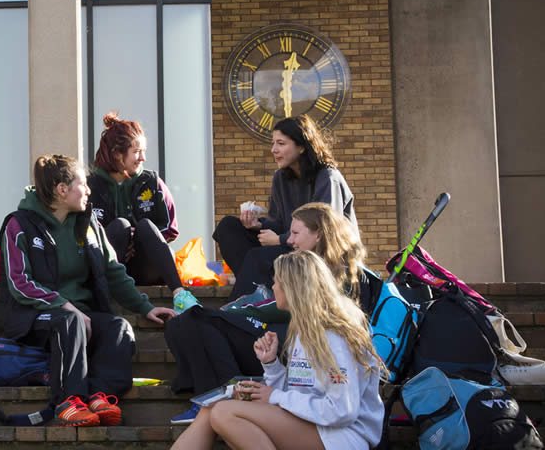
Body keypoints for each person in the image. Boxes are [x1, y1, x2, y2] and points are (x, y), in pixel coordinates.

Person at [0, 154, 176, 426]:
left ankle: (99, 396)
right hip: (33, 317)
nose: (89, 190)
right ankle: (68, 402)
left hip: (81, 317)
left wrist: (145, 307)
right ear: (62, 190)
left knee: (119, 328)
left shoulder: (89, 223)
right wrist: (64, 305)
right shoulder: (19, 225)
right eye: (83, 184)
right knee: (69, 321)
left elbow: (113, 270)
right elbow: (19, 283)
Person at [166, 202, 375, 424]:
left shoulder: (343, 274)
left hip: (294, 350)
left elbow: (289, 307)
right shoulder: (301, 265)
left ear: (319, 235)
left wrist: (234, 311)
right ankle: (220, 395)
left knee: (198, 320)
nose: (290, 240)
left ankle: (222, 397)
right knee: (184, 323)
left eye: (295, 233)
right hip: (278, 342)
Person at [170, 249, 385, 450]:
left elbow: (342, 411)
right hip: (318, 425)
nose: (272, 288)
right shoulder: (304, 330)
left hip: (344, 435)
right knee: (213, 407)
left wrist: (275, 397)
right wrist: (271, 364)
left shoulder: (334, 336)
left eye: (276, 282)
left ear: (293, 288)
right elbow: (300, 394)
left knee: (225, 414)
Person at [214, 114, 357, 299]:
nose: (274, 150)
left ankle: (242, 304)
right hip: (292, 246)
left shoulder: (328, 178)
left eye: (281, 143)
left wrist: (281, 240)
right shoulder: (280, 178)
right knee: (228, 227)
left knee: (258, 257)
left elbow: (323, 232)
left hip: (324, 257)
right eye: (273, 143)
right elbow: (279, 223)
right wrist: (258, 225)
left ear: (302, 146)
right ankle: (259, 291)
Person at [88, 112, 199, 314]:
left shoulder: (152, 182)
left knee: (146, 226)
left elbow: (170, 228)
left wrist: (137, 239)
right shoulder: (90, 186)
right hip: (110, 267)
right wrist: (122, 238)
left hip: (145, 267)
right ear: (117, 153)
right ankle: (102, 296)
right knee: (120, 226)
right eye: (137, 151)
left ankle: (180, 294)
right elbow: (81, 234)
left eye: (144, 151)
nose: (143, 158)